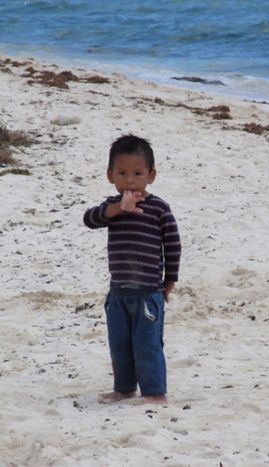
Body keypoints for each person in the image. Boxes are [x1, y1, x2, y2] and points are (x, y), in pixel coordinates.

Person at [83, 134, 181, 404]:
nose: (129, 180)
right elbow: (89, 219)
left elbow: (172, 244)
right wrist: (117, 209)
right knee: (120, 345)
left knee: (147, 345)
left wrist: (170, 280)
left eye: (137, 173)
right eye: (122, 173)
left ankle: (154, 393)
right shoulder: (110, 208)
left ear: (151, 175)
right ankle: (124, 388)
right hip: (118, 293)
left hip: (149, 292)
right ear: (110, 174)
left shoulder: (159, 208)